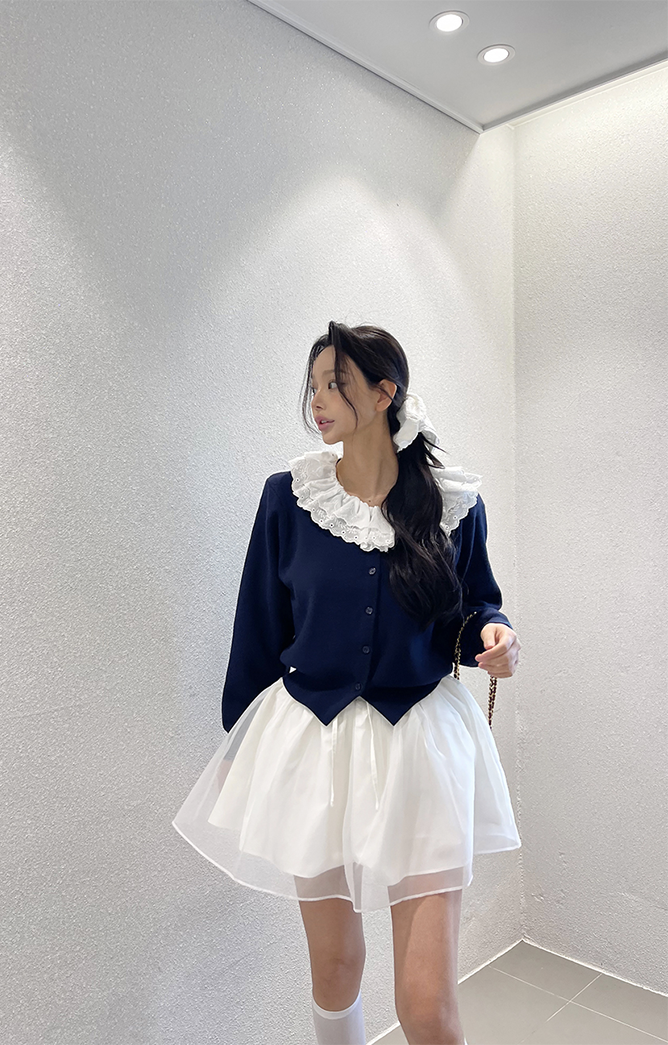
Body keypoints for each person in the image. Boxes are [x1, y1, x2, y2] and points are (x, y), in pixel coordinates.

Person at [172, 321, 522, 1045]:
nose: (318, 401)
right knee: (334, 968)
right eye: (313, 386)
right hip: (314, 745)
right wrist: (240, 744)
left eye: (335, 384)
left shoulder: (453, 505)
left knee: (426, 1005)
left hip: (420, 746)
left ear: (385, 393)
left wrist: (495, 636)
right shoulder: (289, 499)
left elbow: (471, 612)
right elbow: (258, 624)